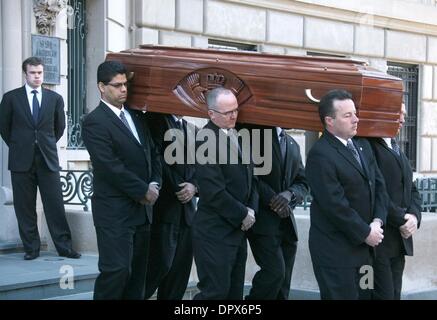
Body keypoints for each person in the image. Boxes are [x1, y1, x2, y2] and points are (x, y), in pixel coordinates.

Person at [82, 60, 161, 300]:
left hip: (142, 212)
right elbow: (110, 166)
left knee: (138, 275)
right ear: (101, 87)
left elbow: (152, 152)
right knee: (116, 271)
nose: (124, 90)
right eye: (117, 86)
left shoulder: (137, 116)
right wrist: (142, 190)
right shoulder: (94, 121)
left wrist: (156, 182)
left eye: (125, 84)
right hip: (114, 211)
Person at [305, 89, 388, 300]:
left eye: (355, 113)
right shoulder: (320, 154)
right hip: (337, 254)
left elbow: (379, 186)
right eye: (347, 115)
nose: (356, 119)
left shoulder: (362, 146)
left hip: (365, 251)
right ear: (329, 121)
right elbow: (334, 205)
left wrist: (377, 221)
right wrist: (365, 232)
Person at [0, 57, 80, 260]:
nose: (37, 76)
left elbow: (59, 128)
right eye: (33, 73)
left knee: (55, 204)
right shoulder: (11, 98)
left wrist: (43, 143)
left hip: (47, 158)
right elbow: (4, 128)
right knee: (24, 206)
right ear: (25, 74)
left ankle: (64, 247)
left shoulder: (54, 99)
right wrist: (20, 145)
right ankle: (31, 248)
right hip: (21, 160)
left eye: (40, 73)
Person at [192, 87, 258, 300]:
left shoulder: (238, 135)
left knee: (234, 294)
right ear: (211, 114)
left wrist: (252, 211)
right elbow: (213, 191)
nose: (234, 115)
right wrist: (243, 214)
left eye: (236, 110)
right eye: (227, 112)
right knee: (214, 293)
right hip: (214, 231)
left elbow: (252, 179)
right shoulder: (205, 140)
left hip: (237, 230)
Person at [245, 125, 308, 300]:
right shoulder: (256, 135)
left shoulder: (293, 144)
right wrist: (275, 200)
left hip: (287, 225)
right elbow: (252, 176)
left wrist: (290, 194)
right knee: (274, 273)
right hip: (264, 222)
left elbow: (303, 182)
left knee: (283, 283)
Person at [368, 103, 421, 300]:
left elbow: (412, 189)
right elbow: (376, 193)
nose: (403, 119)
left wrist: (414, 217)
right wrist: (402, 219)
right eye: (398, 113)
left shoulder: (397, 147)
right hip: (379, 240)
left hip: (400, 240)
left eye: (404, 114)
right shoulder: (369, 147)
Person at [144, 113, 198, 300]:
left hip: (188, 214)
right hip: (164, 211)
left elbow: (203, 164)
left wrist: (194, 186)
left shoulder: (192, 129)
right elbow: (157, 158)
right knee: (157, 268)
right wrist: (180, 186)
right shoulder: (156, 120)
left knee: (179, 275)